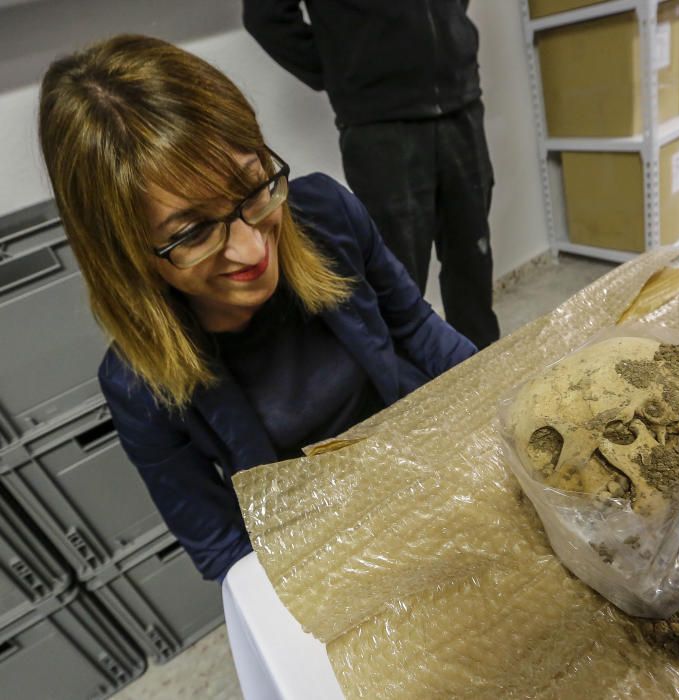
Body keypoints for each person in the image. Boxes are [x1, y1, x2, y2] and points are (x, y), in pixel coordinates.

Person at [38, 35, 476, 582]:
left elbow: (416, 330)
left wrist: (502, 405)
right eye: (193, 233)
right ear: (125, 255)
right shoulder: (140, 385)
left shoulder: (325, 212)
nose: (252, 250)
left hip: (422, 454)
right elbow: (224, 550)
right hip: (325, 545)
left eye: (252, 186)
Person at [242, 0, 501, 349]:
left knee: (473, 262)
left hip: (462, 104)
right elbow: (266, 17)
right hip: (381, 125)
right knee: (397, 283)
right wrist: (343, 69)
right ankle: (409, 397)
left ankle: (487, 374)